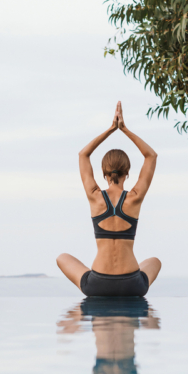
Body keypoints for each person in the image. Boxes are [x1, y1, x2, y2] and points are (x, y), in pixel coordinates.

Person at [56, 102, 161, 297]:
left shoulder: (95, 196)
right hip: (132, 285)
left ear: (104, 173)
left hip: (98, 284)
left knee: (62, 257)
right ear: (127, 173)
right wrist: (125, 130)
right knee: (155, 261)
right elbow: (151, 156)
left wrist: (111, 129)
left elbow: (83, 154)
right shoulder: (135, 198)